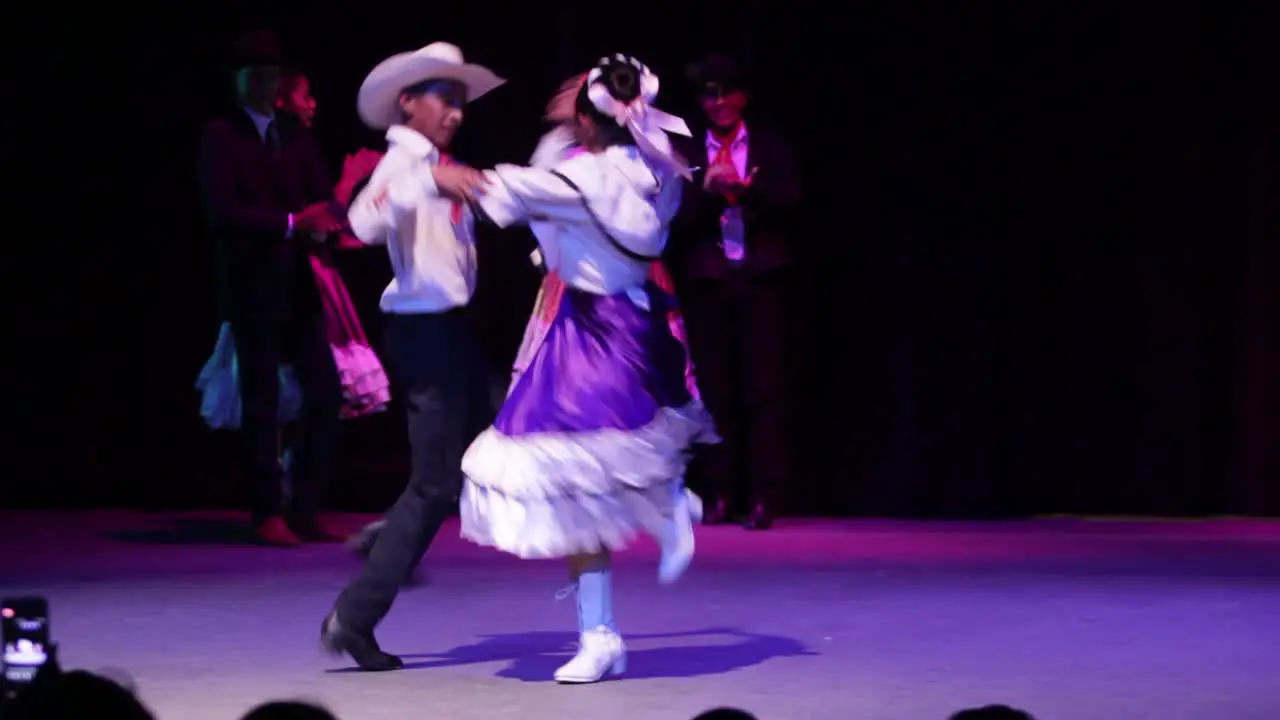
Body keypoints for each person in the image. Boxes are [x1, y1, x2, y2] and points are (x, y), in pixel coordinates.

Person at [460, 55, 718, 684]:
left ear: (586, 113)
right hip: (621, 323)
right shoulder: (654, 166)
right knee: (585, 482)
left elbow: (501, 190)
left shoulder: (583, 178)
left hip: (599, 334)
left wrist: (426, 169)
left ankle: (667, 509)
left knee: (576, 467)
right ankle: (603, 627)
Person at [319, 41, 504, 672]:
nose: (456, 112)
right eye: (443, 99)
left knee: (498, 442)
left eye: (460, 102)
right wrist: (427, 179)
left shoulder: (438, 164)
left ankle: (388, 534)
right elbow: (362, 223)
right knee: (436, 482)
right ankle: (356, 613)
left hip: (451, 329)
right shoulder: (403, 164)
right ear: (408, 103)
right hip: (425, 335)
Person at [196, 29, 347, 546]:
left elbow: (320, 191)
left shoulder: (292, 131)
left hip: (300, 285)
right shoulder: (221, 135)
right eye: (253, 73)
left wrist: (328, 216)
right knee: (260, 400)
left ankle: (306, 505)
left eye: (270, 74)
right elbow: (223, 211)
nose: (263, 82)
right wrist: (289, 221)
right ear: (237, 79)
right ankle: (267, 512)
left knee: (325, 393)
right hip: (251, 285)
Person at [669, 52, 802, 530]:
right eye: (709, 93)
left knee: (763, 391)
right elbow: (671, 224)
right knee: (715, 391)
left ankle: (765, 496)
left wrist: (747, 191)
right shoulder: (686, 153)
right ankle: (721, 493)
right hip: (709, 282)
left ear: (743, 96)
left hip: (760, 280)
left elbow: (794, 204)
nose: (719, 102)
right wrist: (705, 191)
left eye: (726, 92)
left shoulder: (767, 144)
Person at [511, 73, 701, 399]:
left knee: (637, 382)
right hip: (576, 282)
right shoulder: (567, 156)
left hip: (630, 280)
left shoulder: (648, 158)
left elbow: (666, 206)